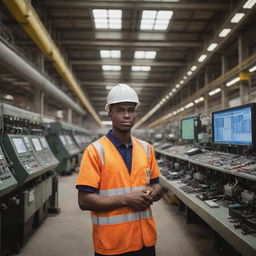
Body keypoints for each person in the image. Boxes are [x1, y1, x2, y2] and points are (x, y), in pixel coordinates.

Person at [76, 84, 164, 256]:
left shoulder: (147, 149)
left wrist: (151, 194)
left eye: (131, 110)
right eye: (120, 110)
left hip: (145, 240)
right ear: (110, 112)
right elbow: (84, 201)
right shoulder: (95, 151)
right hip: (113, 243)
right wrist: (126, 199)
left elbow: (157, 185)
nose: (126, 115)